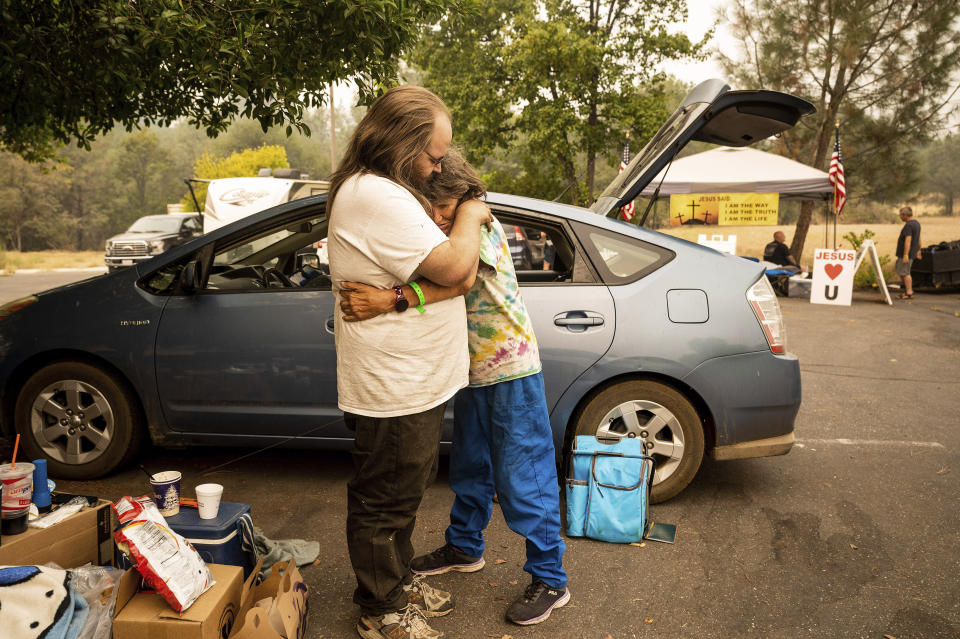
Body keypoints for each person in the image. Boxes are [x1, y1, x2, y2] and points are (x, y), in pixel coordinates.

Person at [339, 148, 570, 628]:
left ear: (460, 197)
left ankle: (550, 577)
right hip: (470, 372)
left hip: (510, 371)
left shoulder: (475, 225)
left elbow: (459, 280)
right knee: (471, 468)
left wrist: (390, 298)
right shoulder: (461, 218)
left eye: (441, 210)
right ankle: (465, 546)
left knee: (524, 477)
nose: (436, 222)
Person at [326, 86, 492, 639]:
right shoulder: (375, 195)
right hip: (394, 382)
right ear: (399, 143)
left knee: (404, 490)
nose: (438, 165)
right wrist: (470, 209)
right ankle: (381, 610)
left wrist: (422, 286)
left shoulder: (390, 190)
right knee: (384, 498)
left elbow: (459, 279)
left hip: (416, 379)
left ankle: (395, 580)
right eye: (433, 155)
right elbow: (455, 268)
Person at [895, 206, 922, 299]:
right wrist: (919, 250)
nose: (900, 217)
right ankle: (907, 290)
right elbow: (918, 238)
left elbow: (908, 240)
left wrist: (905, 254)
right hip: (910, 253)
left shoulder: (909, 225)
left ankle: (909, 292)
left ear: (905, 215)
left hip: (906, 254)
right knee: (902, 271)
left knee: (905, 273)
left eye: (901, 215)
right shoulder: (917, 224)